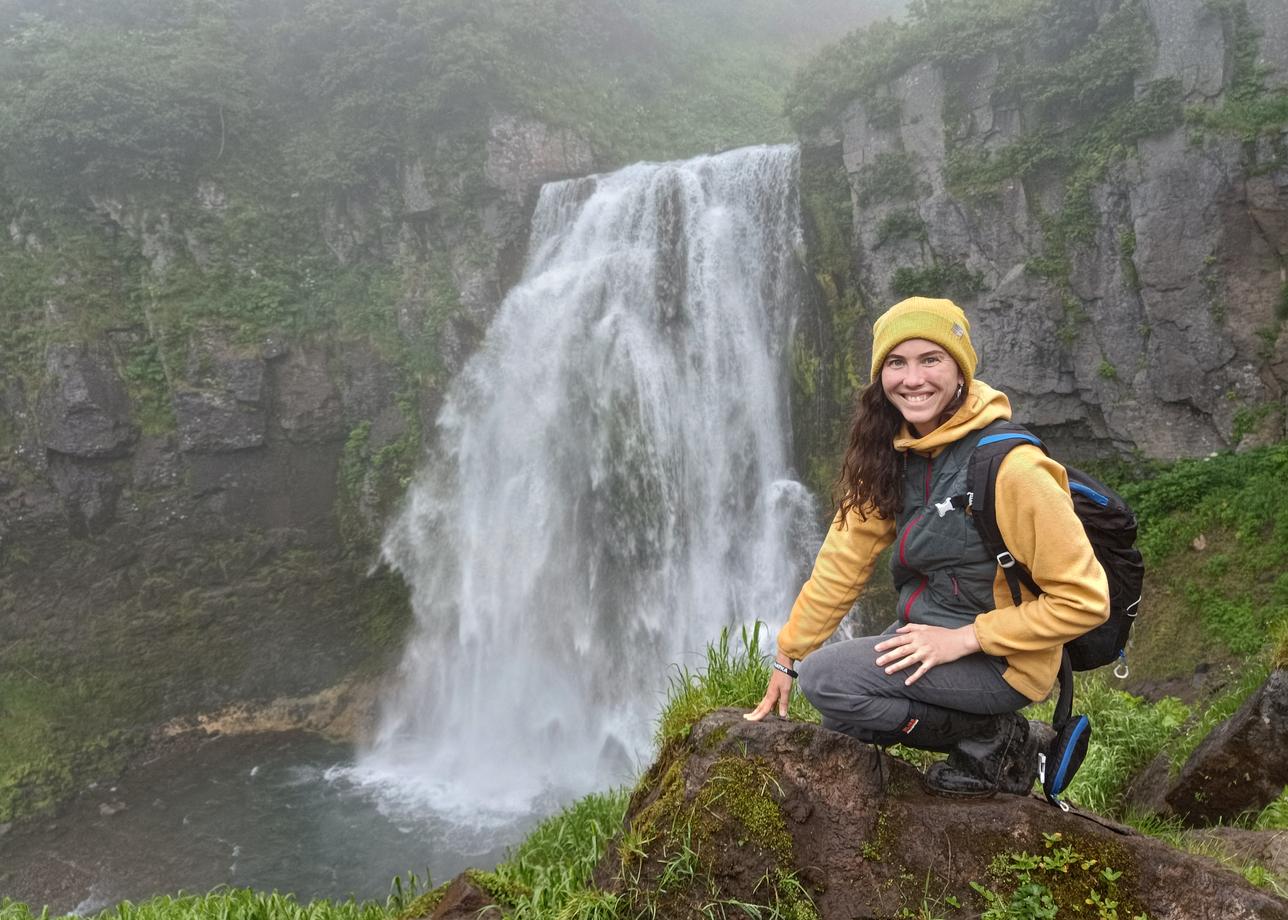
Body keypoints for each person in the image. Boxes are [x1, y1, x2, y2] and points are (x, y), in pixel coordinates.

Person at [745, 296, 1109, 796]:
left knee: (830, 682)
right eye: (897, 362)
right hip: (930, 632)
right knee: (846, 718)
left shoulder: (1014, 469)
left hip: (1004, 658)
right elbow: (843, 561)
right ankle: (985, 736)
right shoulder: (889, 450)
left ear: (960, 371)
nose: (912, 379)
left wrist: (963, 640)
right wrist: (789, 652)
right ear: (880, 376)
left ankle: (1000, 739)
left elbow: (1086, 600)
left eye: (930, 359)